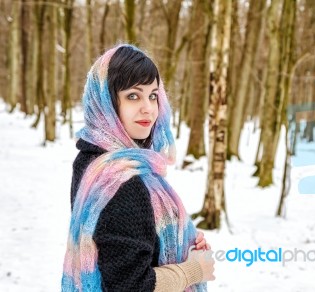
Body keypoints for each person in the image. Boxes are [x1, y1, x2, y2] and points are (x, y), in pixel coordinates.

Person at [61, 44, 215, 292]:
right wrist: (193, 270)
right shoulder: (121, 182)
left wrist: (179, 240)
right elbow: (130, 285)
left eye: (153, 95)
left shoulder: (91, 158)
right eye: (133, 95)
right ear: (106, 103)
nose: (148, 108)